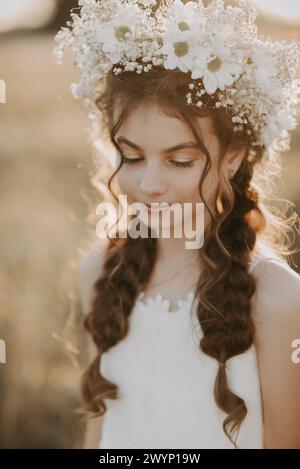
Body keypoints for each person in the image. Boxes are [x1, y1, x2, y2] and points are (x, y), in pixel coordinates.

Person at [54, 0, 300, 449]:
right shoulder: (99, 274)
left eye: (180, 161)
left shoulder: (278, 296)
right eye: (131, 157)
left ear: (233, 157)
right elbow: (100, 429)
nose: (150, 184)